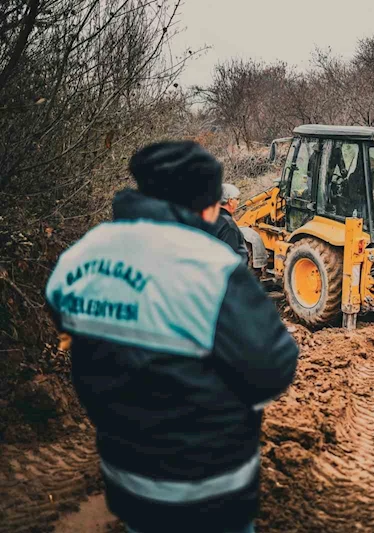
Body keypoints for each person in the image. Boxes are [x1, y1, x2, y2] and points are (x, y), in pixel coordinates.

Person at [44, 141, 299, 533]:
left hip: (126, 476)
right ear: (208, 204)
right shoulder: (211, 269)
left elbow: (64, 318)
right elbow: (272, 369)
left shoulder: (81, 255)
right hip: (210, 488)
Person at [213, 183, 248, 263]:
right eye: (237, 199)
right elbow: (231, 258)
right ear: (230, 201)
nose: (238, 203)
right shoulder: (228, 225)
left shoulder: (211, 218)